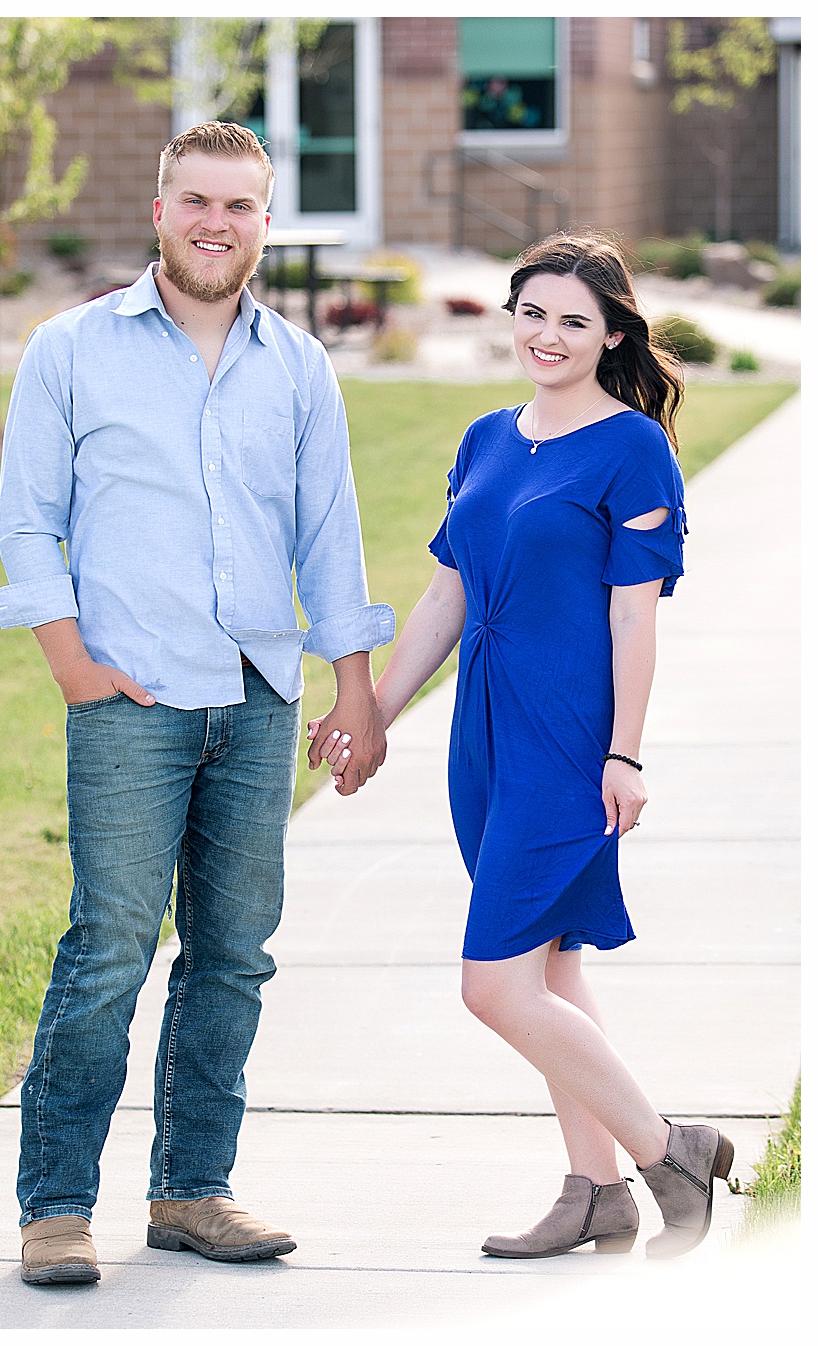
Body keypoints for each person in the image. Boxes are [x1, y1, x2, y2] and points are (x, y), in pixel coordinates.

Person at [0, 122, 395, 1286]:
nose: (219, 223)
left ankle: (193, 1189)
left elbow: (329, 536)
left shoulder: (299, 364)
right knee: (109, 945)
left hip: (259, 696)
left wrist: (353, 688)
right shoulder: (72, 349)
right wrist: (71, 661)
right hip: (131, 691)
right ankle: (56, 1205)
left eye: (243, 206)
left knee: (233, 952)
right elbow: (27, 518)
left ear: (267, 223)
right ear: (159, 209)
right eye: (198, 200)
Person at [339, 232, 731, 1259]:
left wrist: (626, 753)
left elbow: (636, 617)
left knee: (494, 982)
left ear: (610, 334)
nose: (548, 336)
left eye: (574, 320)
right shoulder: (484, 437)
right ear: (509, 316)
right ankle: (596, 1190)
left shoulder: (632, 446)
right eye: (532, 313)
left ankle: (670, 1147)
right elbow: (447, 589)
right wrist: (373, 711)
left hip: (569, 739)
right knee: (550, 970)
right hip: (486, 737)